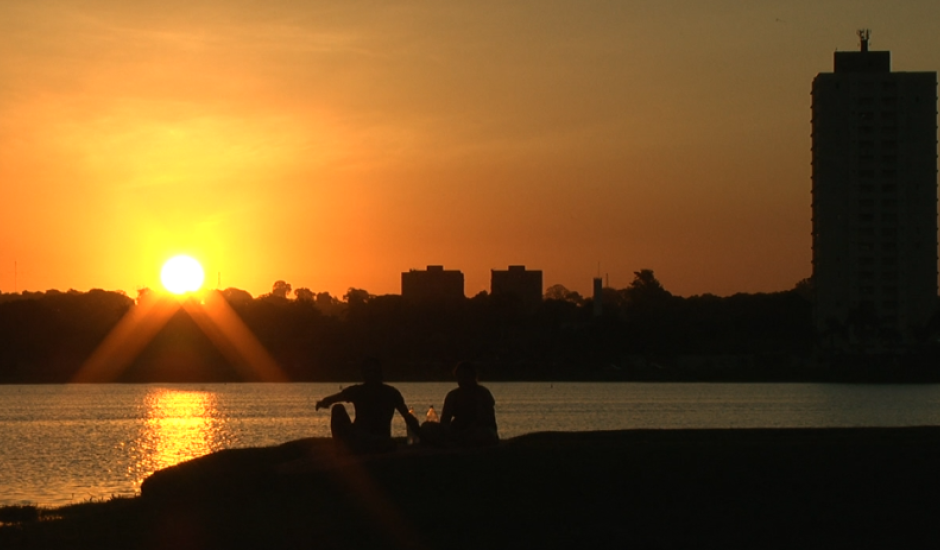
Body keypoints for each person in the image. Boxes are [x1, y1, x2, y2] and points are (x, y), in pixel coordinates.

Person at [315, 358, 421, 453]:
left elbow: (407, 417)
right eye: (369, 371)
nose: (371, 375)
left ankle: (343, 448)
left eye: (373, 371)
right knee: (338, 408)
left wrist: (421, 435)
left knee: (379, 441)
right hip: (363, 437)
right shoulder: (360, 391)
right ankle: (342, 447)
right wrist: (324, 402)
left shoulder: (390, 393)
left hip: (373, 439)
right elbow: (333, 398)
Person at [423, 361, 499, 447]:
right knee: (427, 427)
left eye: (465, 377)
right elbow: (445, 421)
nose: (462, 380)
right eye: (459, 377)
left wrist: (467, 431)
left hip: (479, 431)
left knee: (485, 434)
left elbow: (485, 420)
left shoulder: (483, 394)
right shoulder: (453, 395)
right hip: (457, 431)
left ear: (473, 377)